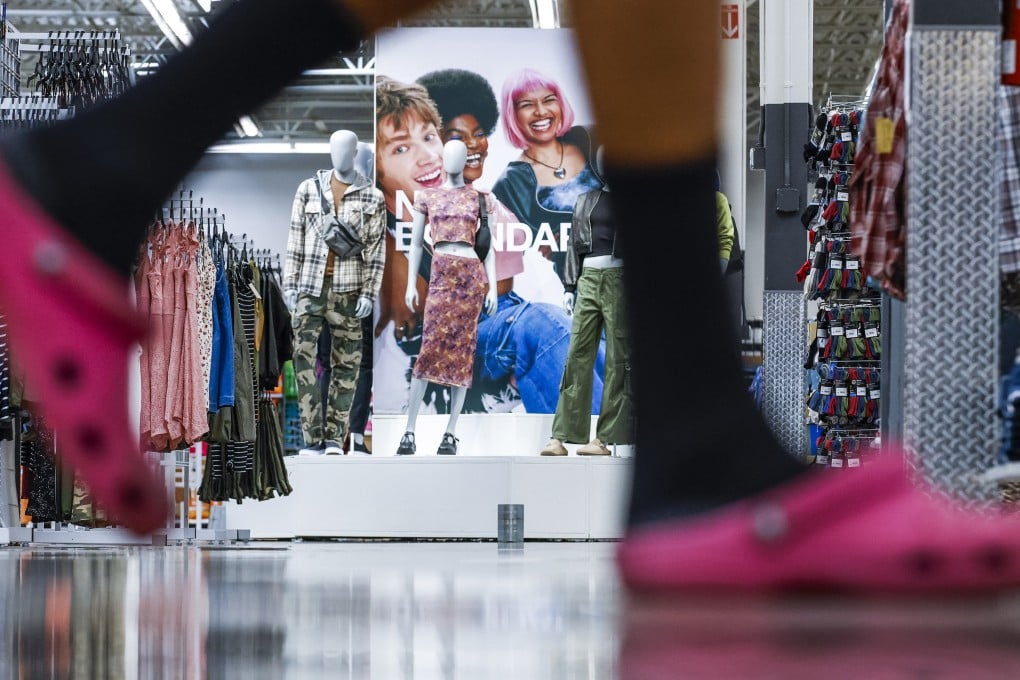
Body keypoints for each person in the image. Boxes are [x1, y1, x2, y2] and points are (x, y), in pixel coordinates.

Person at [1, 0, 1020, 596]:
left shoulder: (515, 192)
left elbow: (497, 239)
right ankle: (104, 165)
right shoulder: (433, 193)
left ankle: (106, 166)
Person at [416, 67, 606, 414]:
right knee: (543, 325)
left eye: (477, 133)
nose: (471, 145)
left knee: (586, 334)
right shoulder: (430, 203)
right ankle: (590, 442)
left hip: (511, 305)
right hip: (466, 322)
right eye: (456, 136)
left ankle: (626, 440)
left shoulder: (490, 200)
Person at [284, 129, 385, 456]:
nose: (338, 155)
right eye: (334, 149)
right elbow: (294, 240)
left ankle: (333, 440)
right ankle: (311, 438)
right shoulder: (308, 190)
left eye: (345, 150)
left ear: (355, 152)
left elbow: (376, 250)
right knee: (303, 358)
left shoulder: (372, 197)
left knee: (347, 365)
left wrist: (369, 292)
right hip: (310, 288)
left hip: (350, 289)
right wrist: (289, 284)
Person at [396, 139, 497, 455]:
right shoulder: (428, 196)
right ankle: (408, 432)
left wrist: (491, 285)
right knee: (428, 352)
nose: (454, 160)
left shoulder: (481, 199)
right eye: (449, 155)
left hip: (470, 277)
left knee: (462, 355)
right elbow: (415, 245)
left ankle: (451, 432)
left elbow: (488, 248)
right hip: (440, 275)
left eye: (460, 156)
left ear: (466, 159)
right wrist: (412, 284)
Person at [541, 147, 632, 457]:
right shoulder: (585, 201)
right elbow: (573, 246)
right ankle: (560, 437)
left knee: (618, 359)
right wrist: (569, 285)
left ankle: (605, 439)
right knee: (577, 354)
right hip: (588, 280)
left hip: (620, 282)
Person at [492, 67, 603, 284]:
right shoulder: (511, 185)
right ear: (512, 114)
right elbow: (502, 261)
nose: (541, 112)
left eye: (548, 100)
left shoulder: (592, 138)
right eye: (527, 105)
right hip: (586, 290)